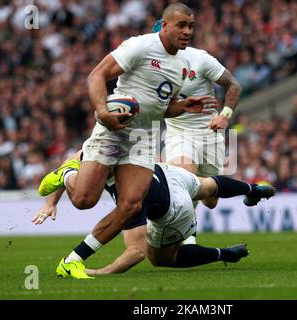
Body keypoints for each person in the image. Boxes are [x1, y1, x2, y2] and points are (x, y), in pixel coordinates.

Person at [36, 3, 216, 269]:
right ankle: (66, 174)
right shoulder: (140, 46)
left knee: (131, 205)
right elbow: (96, 75)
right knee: (84, 200)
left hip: (143, 140)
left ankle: (74, 261)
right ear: (164, 25)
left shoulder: (184, 64)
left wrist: (182, 106)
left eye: (191, 26)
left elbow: (161, 106)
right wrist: (102, 112)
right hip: (114, 132)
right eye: (181, 25)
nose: (188, 31)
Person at [33, 155, 276, 279]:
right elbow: (75, 160)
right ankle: (252, 189)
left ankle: (226, 255)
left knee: (161, 258)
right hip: (168, 172)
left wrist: (101, 272)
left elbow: (136, 252)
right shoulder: (103, 148)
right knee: (207, 186)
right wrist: (51, 200)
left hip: (173, 206)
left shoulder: (129, 198)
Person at [153, 19, 242, 244]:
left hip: (210, 133)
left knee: (210, 200)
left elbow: (234, 85)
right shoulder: (151, 68)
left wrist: (225, 115)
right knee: (184, 180)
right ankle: (188, 240)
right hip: (178, 133)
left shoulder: (199, 59)